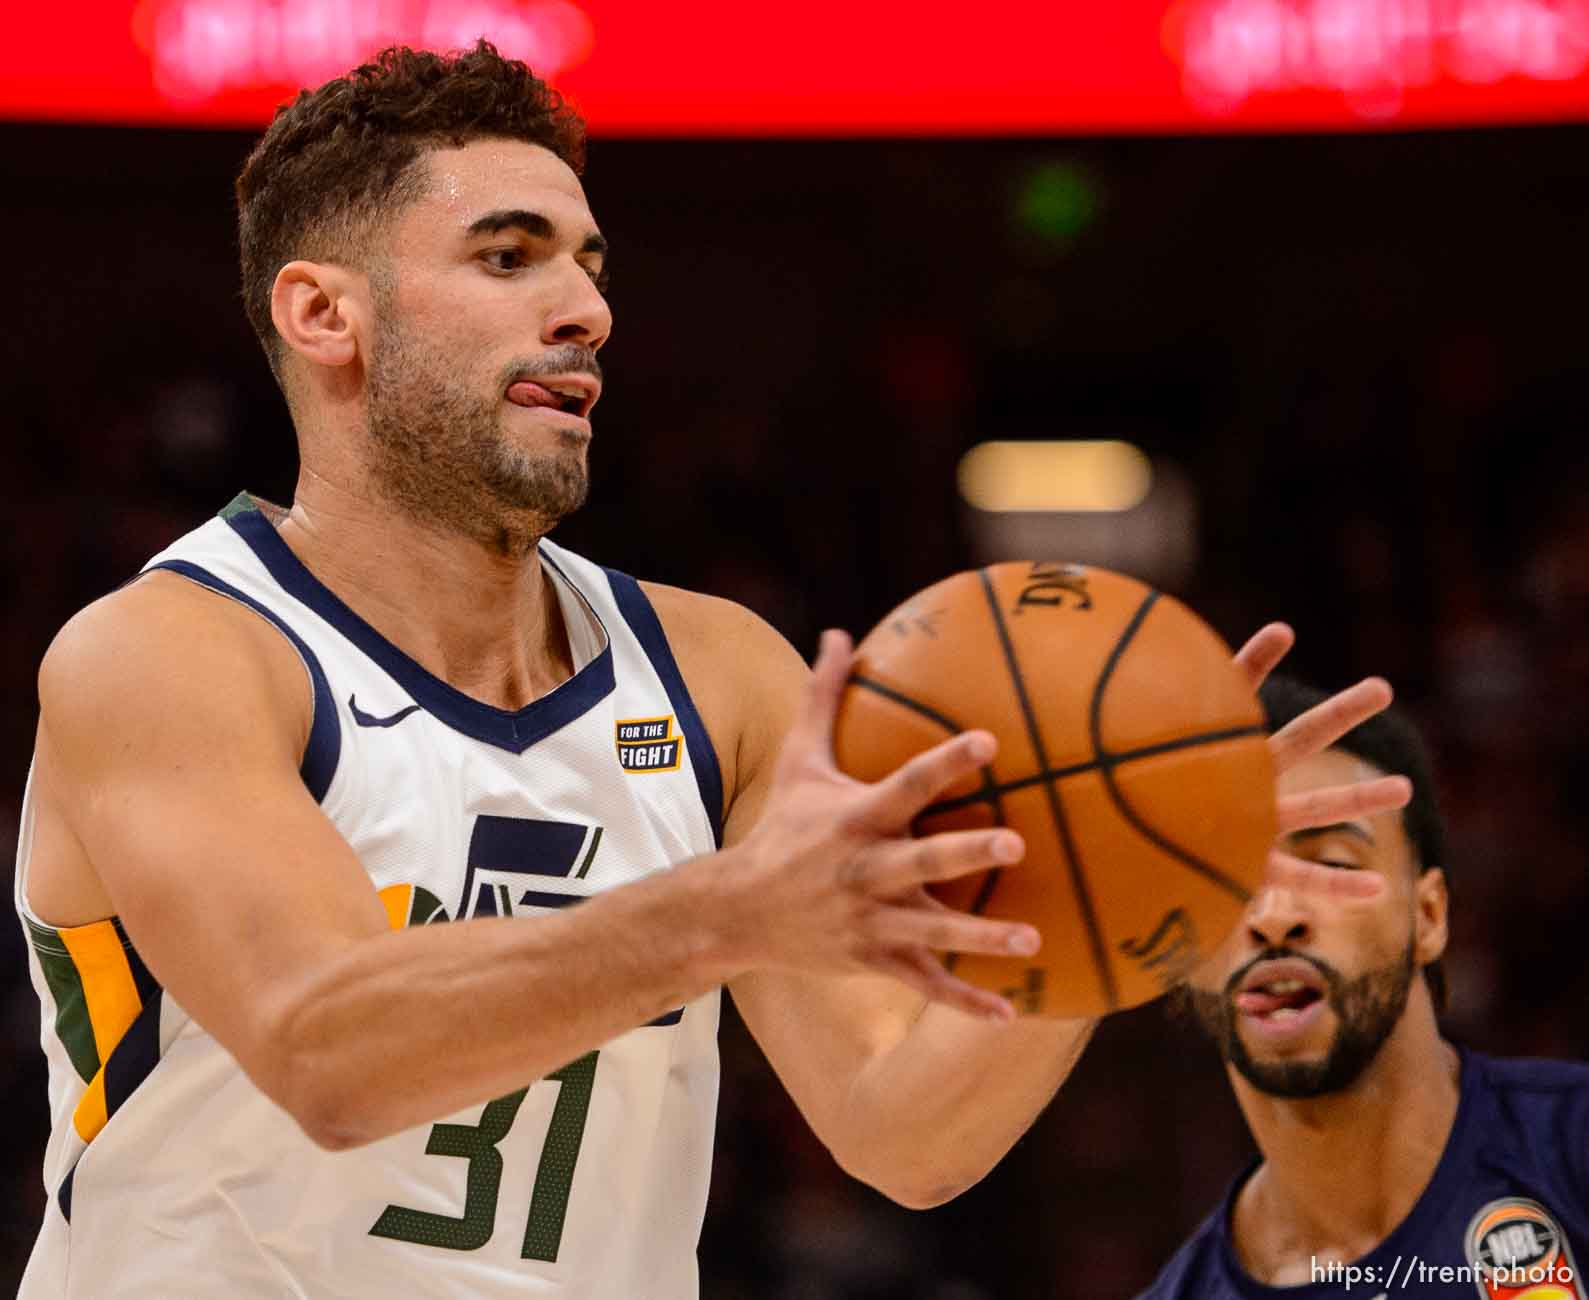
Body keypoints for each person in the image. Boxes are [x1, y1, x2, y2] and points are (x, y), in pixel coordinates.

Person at [14, 42, 1405, 1298]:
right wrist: (731, 912)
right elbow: (328, 1051)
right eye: (509, 257)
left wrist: (1128, 892)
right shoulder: (171, 653)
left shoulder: (713, 670)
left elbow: (902, 1134)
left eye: (591, 264)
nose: (586, 311)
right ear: (326, 315)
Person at [1141, 675, 1589, 1300]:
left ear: (1429, 917)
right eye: (1228, 879)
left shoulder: (1570, 1147)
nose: (1272, 915)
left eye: (1330, 865)